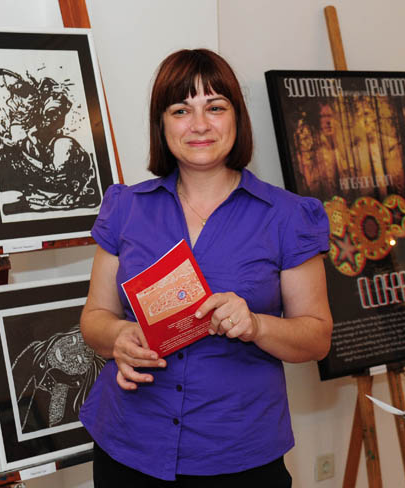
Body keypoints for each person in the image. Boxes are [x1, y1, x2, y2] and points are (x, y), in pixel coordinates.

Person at [78, 49, 333, 487]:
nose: (199, 125)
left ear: (237, 118)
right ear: (162, 123)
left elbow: (317, 337)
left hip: (238, 456)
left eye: (215, 107)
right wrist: (119, 336)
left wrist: (256, 325)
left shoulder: (288, 216)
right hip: (128, 446)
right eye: (181, 110)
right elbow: (94, 318)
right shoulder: (125, 207)